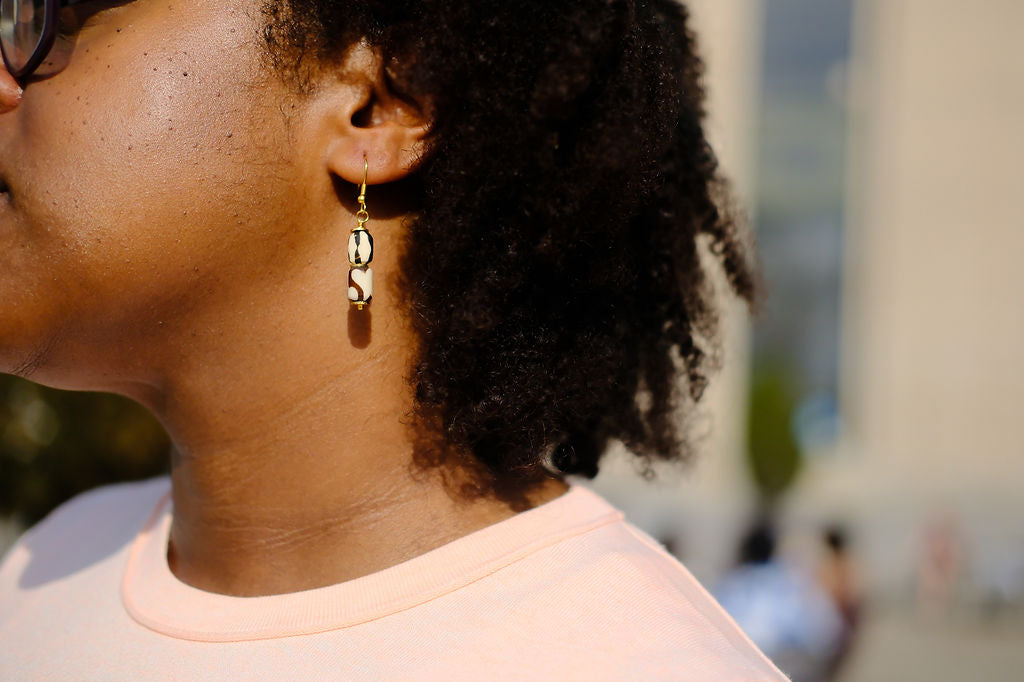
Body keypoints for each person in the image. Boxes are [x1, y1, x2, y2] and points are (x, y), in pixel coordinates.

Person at [0, 0, 786, 678]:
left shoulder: (640, 667)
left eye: (59, 18)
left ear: (378, 108)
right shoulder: (51, 568)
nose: (6, 77)